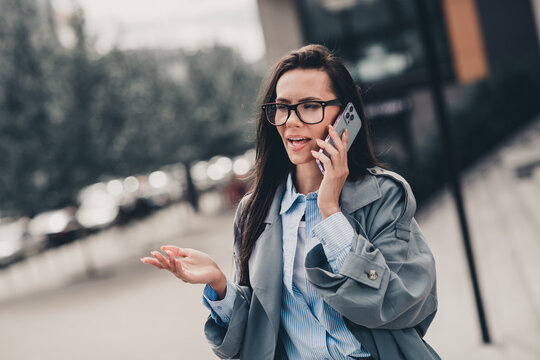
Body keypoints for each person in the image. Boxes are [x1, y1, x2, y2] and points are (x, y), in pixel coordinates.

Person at [141, 44, 440, 360]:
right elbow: (254, 340)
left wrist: (330, 211)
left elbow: (401, 305)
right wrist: (219, 284)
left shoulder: (384, 195)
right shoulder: (253, 211)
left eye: (310, 106)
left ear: (345, 115)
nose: (290, 121)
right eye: (282, 107)